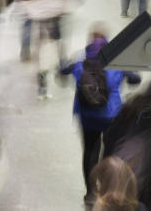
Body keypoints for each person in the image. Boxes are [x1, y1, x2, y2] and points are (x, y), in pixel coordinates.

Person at [59, 28, 141, 201]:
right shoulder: (117, 62)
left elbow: (62, 71)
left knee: (90, 151)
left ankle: (90, 192)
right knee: (110, 152)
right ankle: (105, 190)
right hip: (112, 116)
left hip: (87, 116)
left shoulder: (80, 62)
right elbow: (136, 80)